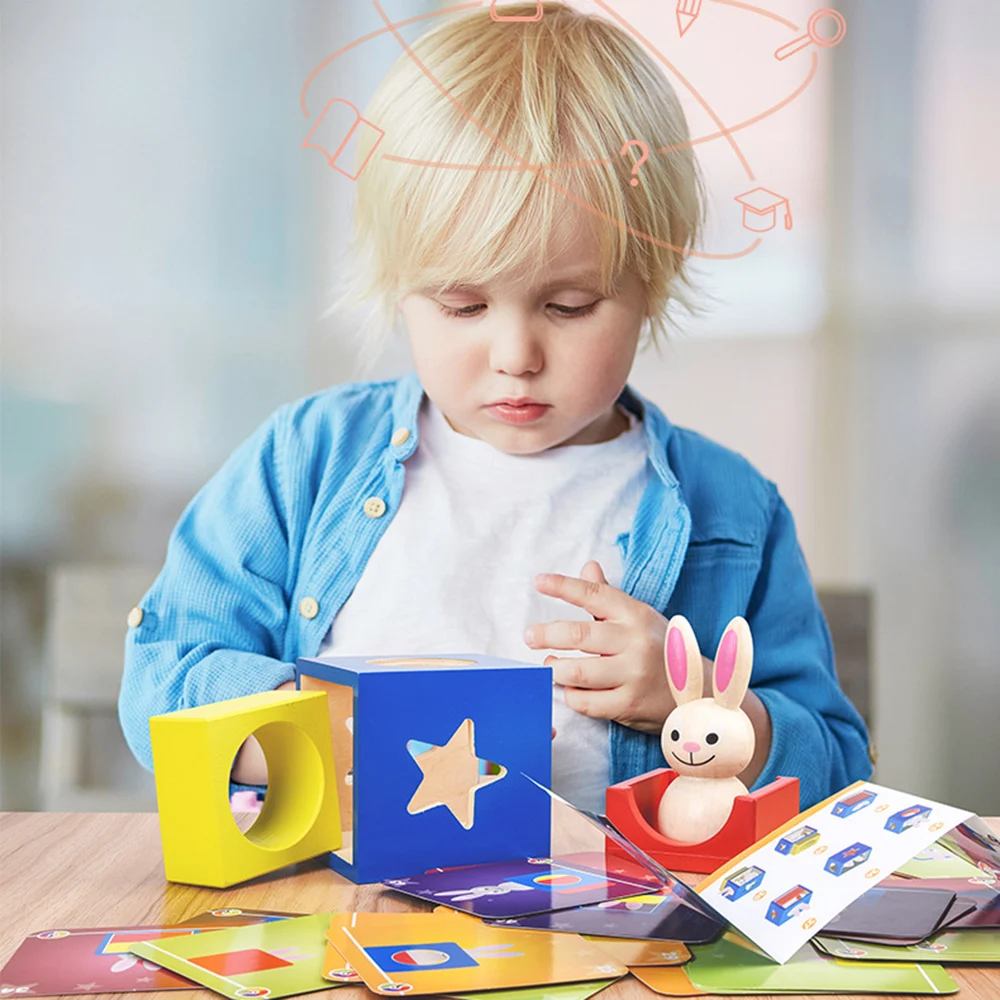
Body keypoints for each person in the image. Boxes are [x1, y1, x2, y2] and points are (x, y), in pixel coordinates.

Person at [119, 1, 871, 814]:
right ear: (399, 286)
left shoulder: (733, 512)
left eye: (570, 306)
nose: (515, 355)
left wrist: (696, 703)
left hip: (610, 897)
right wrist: (336, 726)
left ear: (650, 285)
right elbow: (165, 680)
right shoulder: (307, 459)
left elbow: (836, 771)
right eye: (463, 305)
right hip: (340, 888)